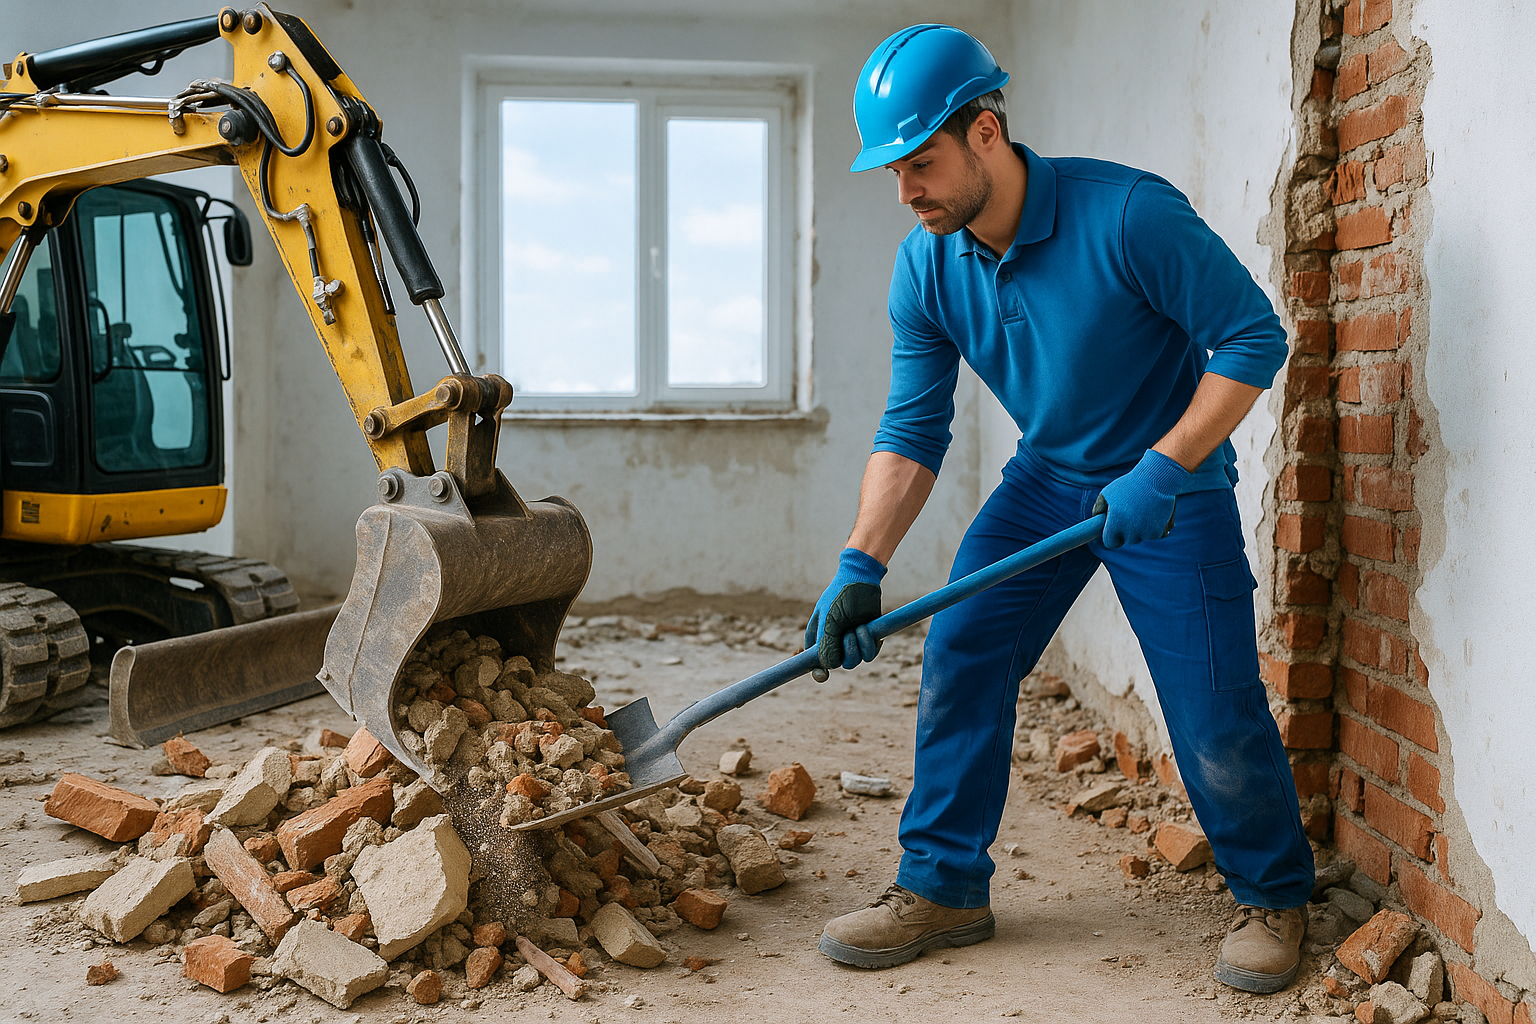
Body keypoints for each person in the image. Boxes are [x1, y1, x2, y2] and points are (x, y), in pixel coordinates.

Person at [806, 24, 1314, 994]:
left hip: (1169, 486)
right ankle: (945, 884)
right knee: (963, 644)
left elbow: (1251, 339)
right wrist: (861, 563)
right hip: (1049, 481)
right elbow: (914, 429)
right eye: (893, 170)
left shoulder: (1126, 215)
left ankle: (1273, 891)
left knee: (1209, 700)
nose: (905, 191)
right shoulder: (930, 265)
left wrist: (1167, 465)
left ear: (986, 131)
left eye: (919, 162)